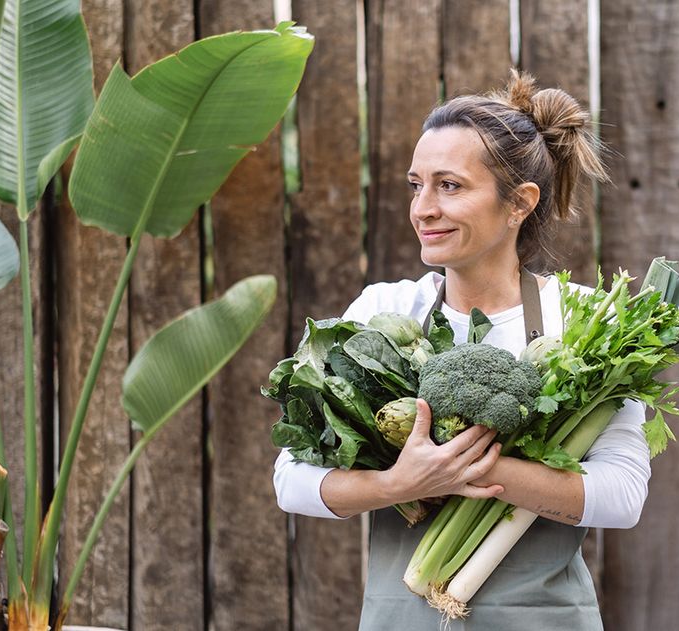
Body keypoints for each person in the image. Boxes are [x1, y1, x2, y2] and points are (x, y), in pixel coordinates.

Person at [273, 69, 651, 630]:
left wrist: (465, 467)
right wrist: (399, 484)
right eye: (415, 184)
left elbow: (621, 496)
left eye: (449, 186)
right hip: (401, 617)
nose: (422, 208)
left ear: (520, 202)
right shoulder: (385, 313)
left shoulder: (587, 321)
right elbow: (292, 480)